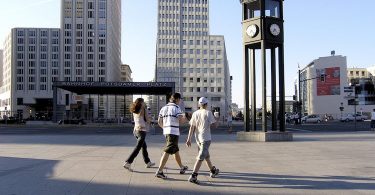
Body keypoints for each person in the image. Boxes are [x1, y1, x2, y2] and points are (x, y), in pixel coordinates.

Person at [186, 97, 220, 184]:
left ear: (199, 104)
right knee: (201, 157)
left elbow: (192, 127)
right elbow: (215, 126)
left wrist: (189, 139)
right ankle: (194, 176)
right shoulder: (208, 113)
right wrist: (217, 118)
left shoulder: (195, 113)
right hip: (206, 139)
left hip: (198, 139)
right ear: (206, 104)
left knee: (206, 156)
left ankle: (213, 170)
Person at [155, 93, 189, 179]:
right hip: (173, 132)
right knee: (167, 150)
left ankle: (182, 167)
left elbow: (159, 121)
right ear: (177, 99)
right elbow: (180, 121)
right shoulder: (176, 108)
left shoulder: (163, 108)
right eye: (180, 99)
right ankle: (159, 171)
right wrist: (187, 118)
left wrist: (165, 128)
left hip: (166, 131)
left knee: (175, 150)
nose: (180, 101)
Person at [123, 98, 155, 171]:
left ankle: (148, 162)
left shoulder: (134, 109)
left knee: (144, 146)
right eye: (144, 102)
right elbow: (147, 120)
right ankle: (128, 163)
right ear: (141, 103)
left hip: (135, 131)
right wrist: (151, 119)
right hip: (141, 131)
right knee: (137, 148)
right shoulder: (143, 109)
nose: (145, 103)